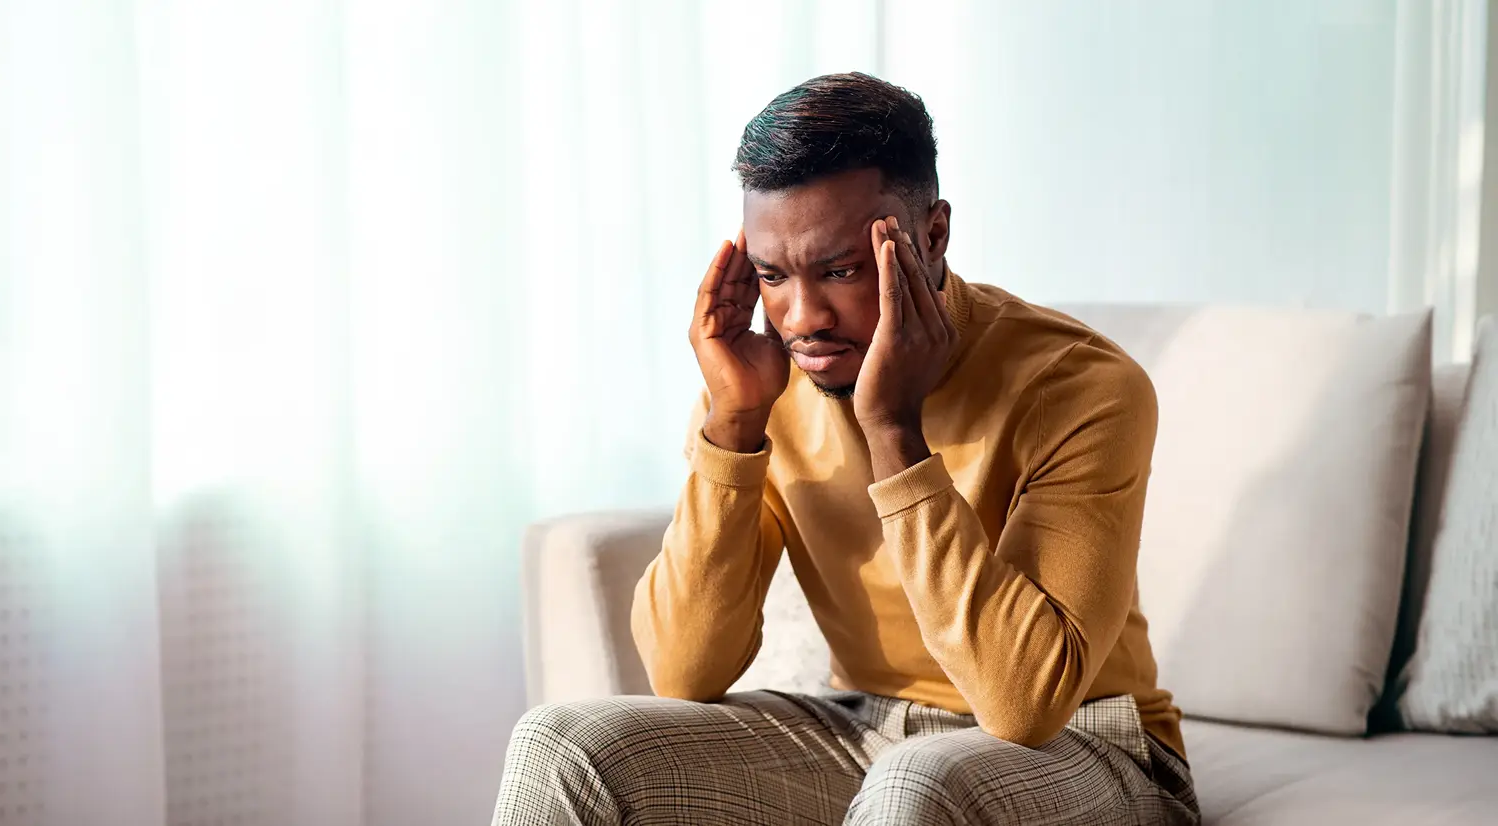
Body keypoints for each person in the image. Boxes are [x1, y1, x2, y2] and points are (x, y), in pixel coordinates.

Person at [491, 72, 1199, 825]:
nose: (802, 319)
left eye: (840, 271)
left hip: (1090, 745)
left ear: (932, 236)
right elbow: (682, 671)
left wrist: (893, 431)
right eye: (772, 276)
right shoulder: (764, 387)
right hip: (868, 729)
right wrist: (735, 424)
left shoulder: (1081, 386)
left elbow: (1024, 701)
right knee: (563, 745)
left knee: (918, 784)